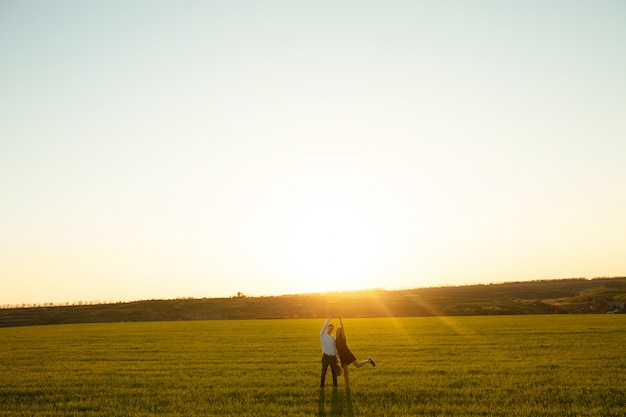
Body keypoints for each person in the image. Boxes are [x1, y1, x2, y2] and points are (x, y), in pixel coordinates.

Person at [335, 317, 376, 387]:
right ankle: (347, 386)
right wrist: (336, 357)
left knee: (358, 365)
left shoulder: (343, 337)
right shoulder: (335, 340)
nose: (339, 331)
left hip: (348, 354)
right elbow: (336, 350)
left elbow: (343, 328)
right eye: (338, 330)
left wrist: (340, 320)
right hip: (342, 356)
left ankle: (369, 360)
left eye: (340, 330)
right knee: (346, 372)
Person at [319, 314, 341, 387]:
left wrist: (336, 357)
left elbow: (335, 347)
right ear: (326, 328)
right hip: (325, 357)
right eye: (329, 327)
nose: (331, 329)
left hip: (333, 357)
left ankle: (335, 386)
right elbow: (324, 325)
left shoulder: (332, 337)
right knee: (323, 372)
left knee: (334, 373)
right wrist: (330, 317)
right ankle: (322, 386)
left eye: (332, 328)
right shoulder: (322, 335)